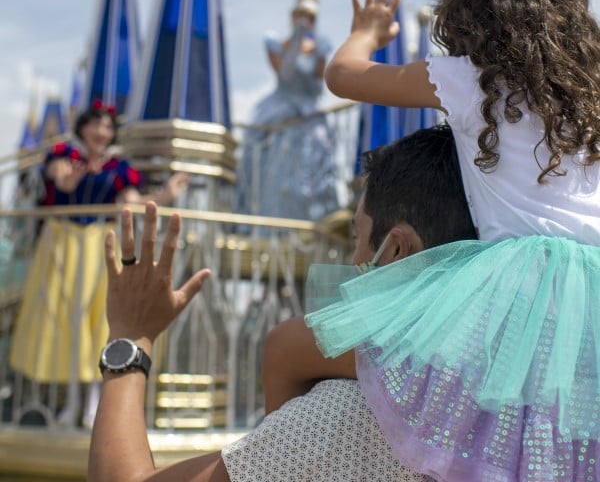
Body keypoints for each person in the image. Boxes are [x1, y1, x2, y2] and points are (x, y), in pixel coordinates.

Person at [278, 0, 600, 482]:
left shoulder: (469, 76)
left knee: (298, 353)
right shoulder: (592, 87)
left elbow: (343, 76)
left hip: (512, 287)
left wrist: (365, 32)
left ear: (470, 2)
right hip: (592, 286)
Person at [88, 124, 476, 481]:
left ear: (394, 249)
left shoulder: (345, 418)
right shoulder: (513, 417)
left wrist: (130, 338)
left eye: (356, 234)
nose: (352, 257)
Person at [9, 99, 190, 428]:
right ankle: (72, 403)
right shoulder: (66, 154)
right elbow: (57, 175)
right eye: (96, 124)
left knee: (99, 321)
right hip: (62, 244)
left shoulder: (119, 168)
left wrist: (166, 194)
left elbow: (134, 202)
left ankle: (93, 401)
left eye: (107, 126)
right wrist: (64, 182)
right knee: (64, 319)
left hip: (98, 245)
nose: (101, 132)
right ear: (83, 127)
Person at [236, 0, 339, 221]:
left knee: (312, 171)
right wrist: (296, 42)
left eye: (309, 17)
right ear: (292, 17)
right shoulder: (275, 44)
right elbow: (285, 74)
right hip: (279, 114)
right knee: (273, 175)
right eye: (300, 15)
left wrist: (309, 49)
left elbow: (317, 82)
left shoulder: (320, 47)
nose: (304, 20)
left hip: (310, 118)